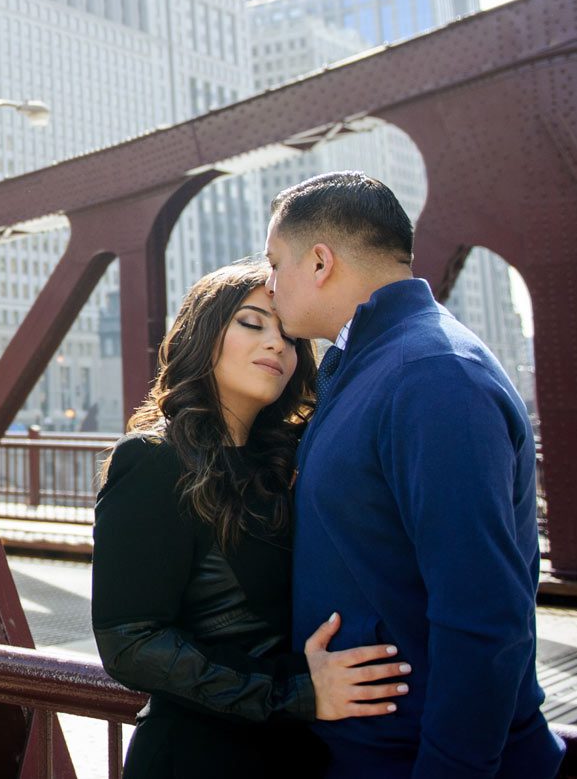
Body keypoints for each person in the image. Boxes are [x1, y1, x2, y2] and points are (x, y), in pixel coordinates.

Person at [265, 172, 563, 779]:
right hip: (368, 750)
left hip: (411, 760)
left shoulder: (432, 376)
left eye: (275, 264)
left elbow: (482, 610)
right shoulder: (373, 366)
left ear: (320, 262)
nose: (269, 286)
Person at [92, 260, 413, 778]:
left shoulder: (292, 461)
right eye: (251, 323)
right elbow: (130, 642)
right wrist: (295, 692)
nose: (277, 346)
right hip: (201, 757)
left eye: (289, 336)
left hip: (301, 754)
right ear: (204, 333)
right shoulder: (154, 461)